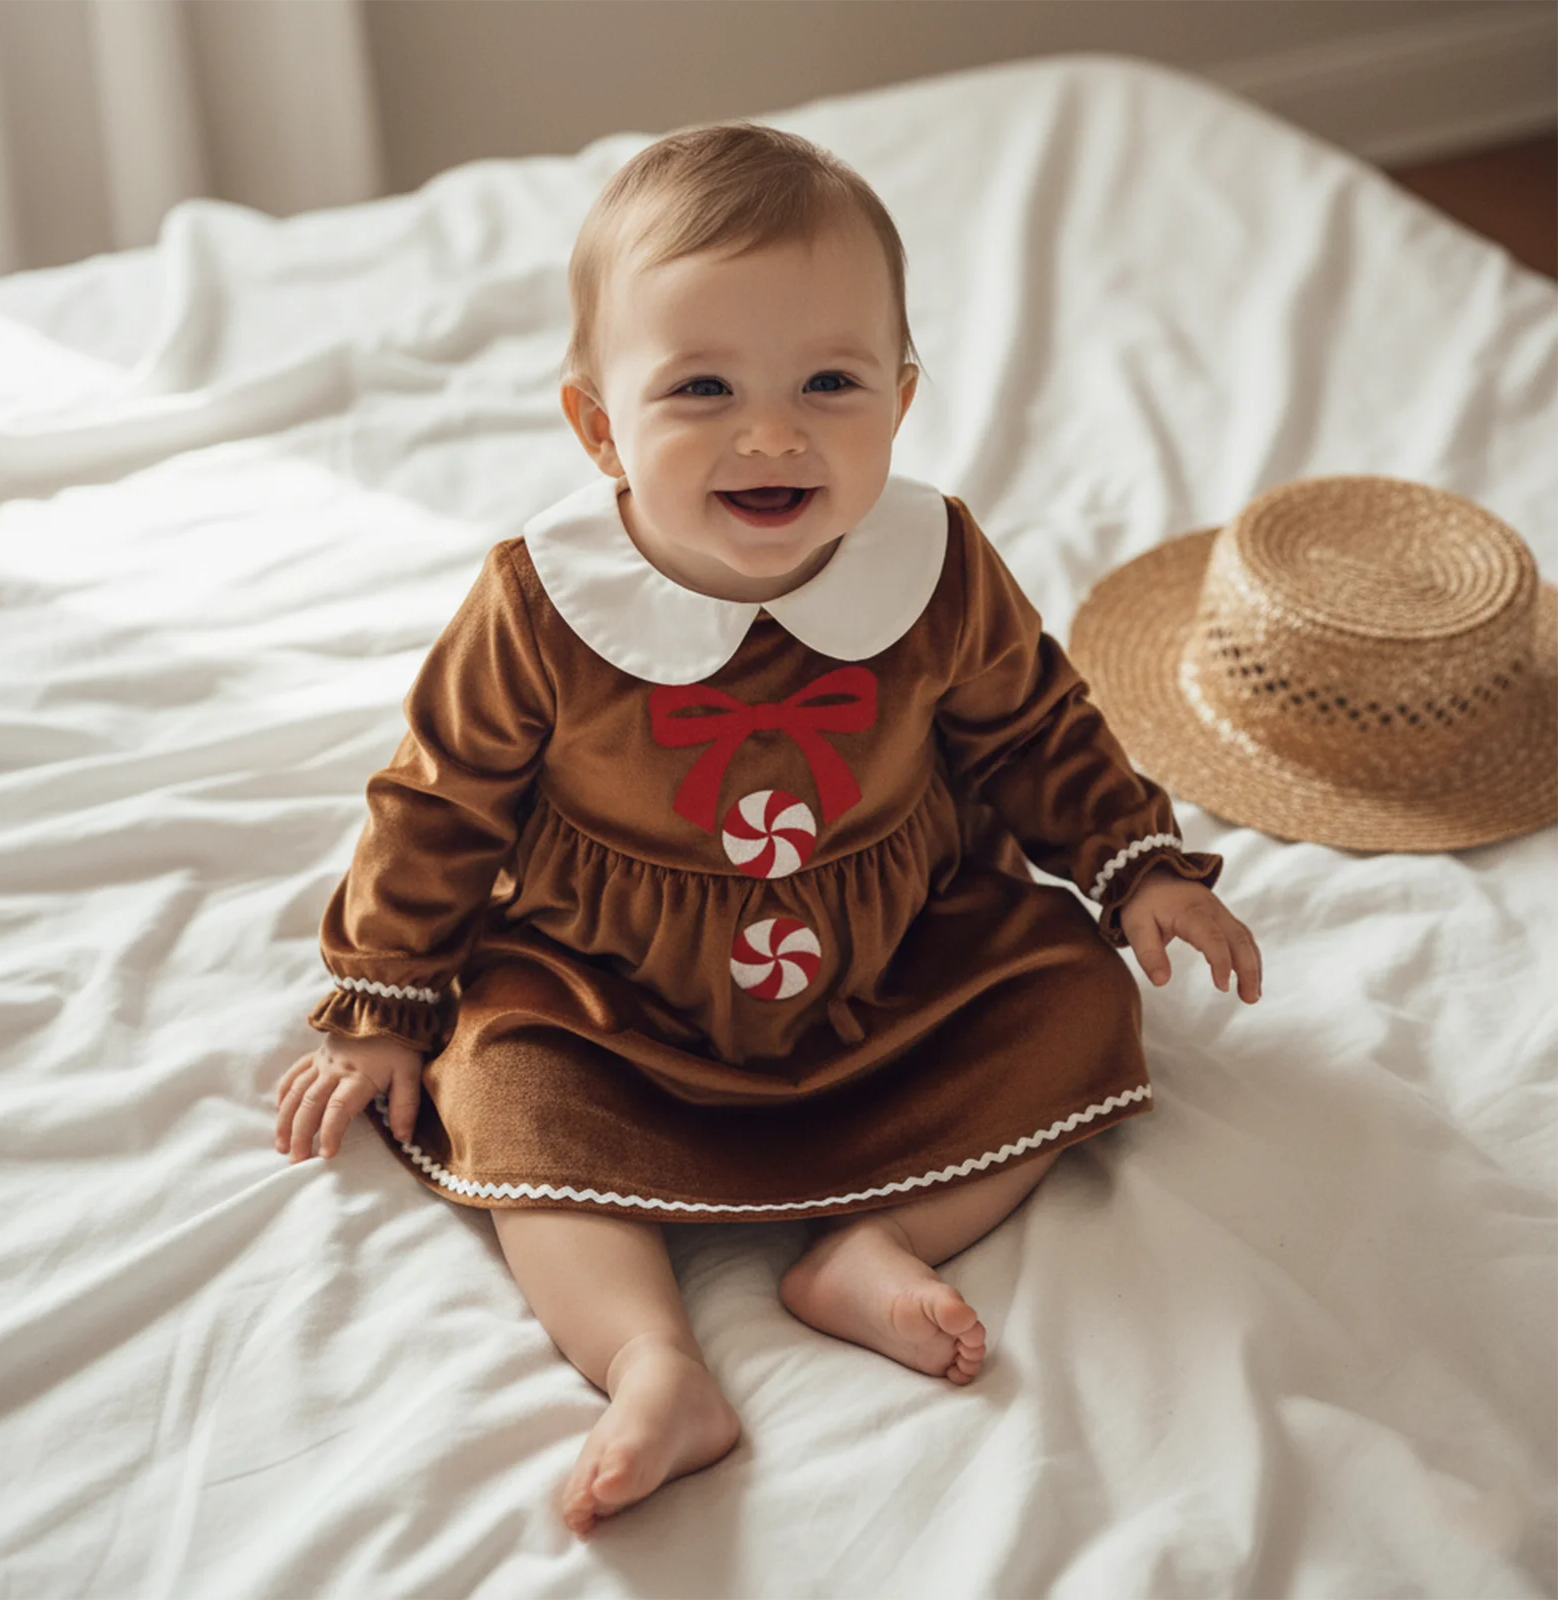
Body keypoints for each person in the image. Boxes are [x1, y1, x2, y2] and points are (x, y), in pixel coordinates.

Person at [273, 122, 1263, 1536]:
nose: (774, 432)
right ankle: (652, 1362)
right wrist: (382, 1001)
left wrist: (1139, 863)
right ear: (600, 428)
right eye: (703, 388)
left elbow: (1033, 729)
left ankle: (870, 1245)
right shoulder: (543, 605)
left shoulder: (935, 566)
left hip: (895, 961)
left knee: (1075, 1001)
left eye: (830, 383)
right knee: (497, 1081)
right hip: (611, 986)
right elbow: (440, 800)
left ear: (900, 401)